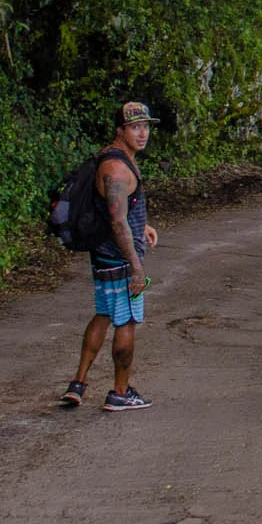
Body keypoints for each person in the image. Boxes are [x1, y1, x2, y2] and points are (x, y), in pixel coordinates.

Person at [61, 102, 159, 411]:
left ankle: (78, 383)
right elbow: (117, 221)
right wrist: (136, 267)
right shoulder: (117, 169)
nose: (142, 133)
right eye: (135, 127)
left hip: (103, 256)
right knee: (127, 320)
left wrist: (142, 225)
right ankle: (120, 391)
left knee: (103, 314)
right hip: (119, 259)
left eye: (145, 126)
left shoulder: (111, 157)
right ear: (121, 130)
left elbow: (119, 212)